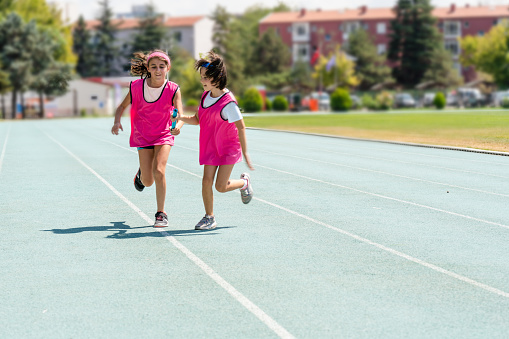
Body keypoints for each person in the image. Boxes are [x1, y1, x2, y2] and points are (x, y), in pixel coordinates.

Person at [174, 51, 254, 231]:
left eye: (204, 77)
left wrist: (246, 152)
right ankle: (209, 217)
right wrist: (180, 119)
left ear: (216, 78)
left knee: (220, 186)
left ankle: (244, 183)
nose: (201, 80)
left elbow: (241, 127)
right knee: (205, 181)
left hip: (227, 149)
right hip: (210, 147)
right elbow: (197, 119)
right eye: (201, 77)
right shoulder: (205, 96)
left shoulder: (229, 104)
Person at [111, 49, 184, 228]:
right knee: (148, 182)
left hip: (163, 134)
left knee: (159, 171)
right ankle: (141, 175)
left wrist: (178, 127)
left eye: (162, 66)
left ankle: (161, 213)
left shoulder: (173, 89)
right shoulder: (136, 87)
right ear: (148, 68)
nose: (158, 70)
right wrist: (116, 122)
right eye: (154, 66)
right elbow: (121, 107)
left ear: (168, 68)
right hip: (143, 135)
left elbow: (180, 115)